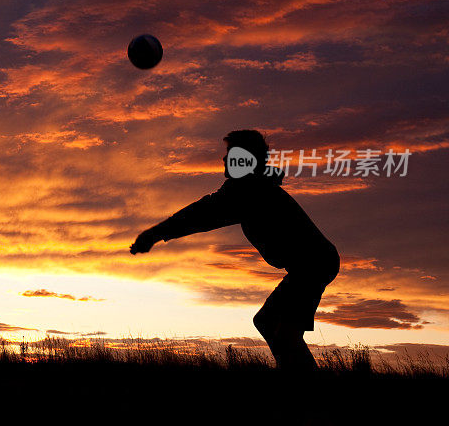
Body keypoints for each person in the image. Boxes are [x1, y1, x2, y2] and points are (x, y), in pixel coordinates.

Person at [130, 130, 340, 372]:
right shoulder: (250, 187)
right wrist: (156, 234)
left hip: (313, 264)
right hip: (308, 265)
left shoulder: (249, 190)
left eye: (231, 154)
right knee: (267, 322)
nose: (224, 160)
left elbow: (202, 214)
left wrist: (154, 235)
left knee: (285, 334)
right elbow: (205, 211)